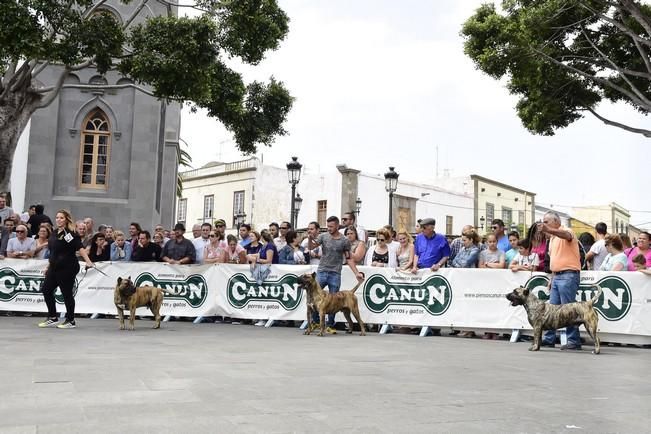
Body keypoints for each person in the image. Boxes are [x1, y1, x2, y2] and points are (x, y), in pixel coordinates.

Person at [307, 216, 364, 334]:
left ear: (337, 226)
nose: (328, 228)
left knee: (334, 301)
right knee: (313, 298)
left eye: (331, 226)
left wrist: (356, 273)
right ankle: (316, 322)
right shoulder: (323, 236)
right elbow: (311, 247)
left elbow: (348, 258)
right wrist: (310, 238)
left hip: (335, 273)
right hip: (322, 271)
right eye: (327, 226)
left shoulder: (344, 240)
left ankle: (330, 325)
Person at [38, 209, 94, 329]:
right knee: (46, 290)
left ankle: (70, 320)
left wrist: (88, 262)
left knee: (66, 293)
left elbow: (79, 247)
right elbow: (53, 252)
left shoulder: (68, 233)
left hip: (67, 267)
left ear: (66, 219)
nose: (58, 219)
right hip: (54, 267)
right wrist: (48, 266)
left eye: (61, 218)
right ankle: (53, 317)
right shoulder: (54, 232)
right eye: (57, 217)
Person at [539, 211, 583, 350]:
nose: (544, 225)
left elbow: (567, 236)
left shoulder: (566, 230)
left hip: (568, 275)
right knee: (553, 309)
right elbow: (555, 259)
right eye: (544, 223)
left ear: (556, 222)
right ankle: (549, 338)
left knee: (568, 310)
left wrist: (549, 230)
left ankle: (573, 341)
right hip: (558, 275)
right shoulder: (552, 239)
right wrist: (552, 277)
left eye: (546, 222)